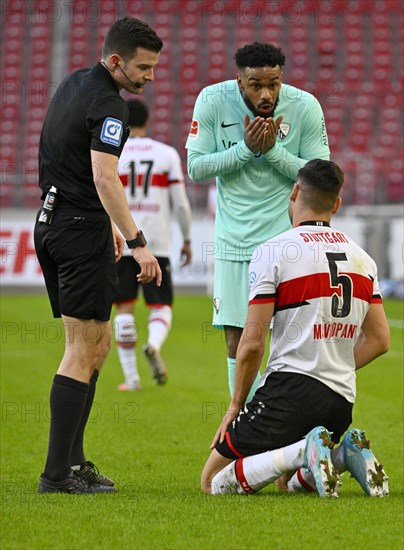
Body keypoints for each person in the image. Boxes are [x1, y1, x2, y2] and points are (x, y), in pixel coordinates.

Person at [201, 159, 390, 498]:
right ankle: (342, 455)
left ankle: (303, 450)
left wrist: (235, 406)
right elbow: (379, 340)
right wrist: (335, 362)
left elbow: (252, 343)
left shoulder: (273, 251)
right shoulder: (364, 259)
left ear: (294, 192)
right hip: (340, 402)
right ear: (336, 204)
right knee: (286, 484)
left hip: (287, 391)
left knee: (212, 482)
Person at [34, 17, 163, 494]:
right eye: (143, 67)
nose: (149, 76)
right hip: (77, 230)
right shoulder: (111, 103)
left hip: (53, 222)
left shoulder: (74, 83)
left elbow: (62, 158)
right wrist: (137, 241)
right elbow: (105, 177)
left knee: (97, 344)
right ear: (115, 61)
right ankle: (56, 475)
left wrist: (102, 220)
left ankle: (73, 463)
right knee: (81, 349)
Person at [186, 42, 331, 402]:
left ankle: (286, 428)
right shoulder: (212, 100)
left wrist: (273, 152)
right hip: (236, 244)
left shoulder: (305, 106)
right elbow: (195, 167)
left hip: (290, 245)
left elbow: (321, 177)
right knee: (240, 343)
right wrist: (245, 151)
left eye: (274, 83)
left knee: (293, 342)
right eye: (256, 85)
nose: (266, 93)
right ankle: (248, 430)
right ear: (239, 81)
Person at [113, 98, 192, 390]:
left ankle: (131, 378)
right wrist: (185, 238)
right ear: (147, 121)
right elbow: (181, 205)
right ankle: (154, 344)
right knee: (161, 304)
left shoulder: (112, 154)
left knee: (123, 308)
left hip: (122, 239)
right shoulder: (166, 154)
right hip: (155, 242)